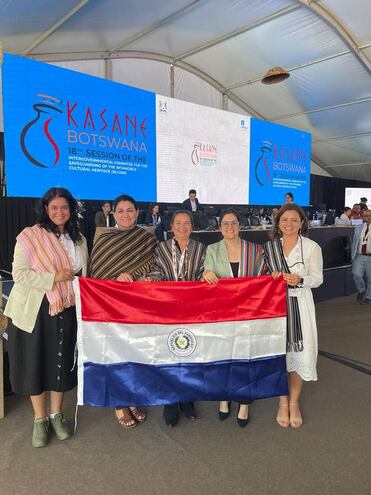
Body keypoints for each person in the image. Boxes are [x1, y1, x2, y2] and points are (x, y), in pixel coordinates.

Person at [4, 187, 88, 448]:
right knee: (35, 363)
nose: (60, 212)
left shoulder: (79, 239)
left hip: (67, 307)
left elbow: (84, 274)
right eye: (54, 208)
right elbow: (19, 274)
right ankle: (40, 420)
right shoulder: (29, 237)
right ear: (45, 210)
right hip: (35, 309)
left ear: (71, 210)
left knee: (60, 364)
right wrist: (52, 278)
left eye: (64, 207)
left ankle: (56, 415)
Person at [89, 194, 158, 428]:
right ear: (114, 213)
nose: (126, 215)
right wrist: (114, 279)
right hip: (111, 305)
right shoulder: (104, 239)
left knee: (135, 352)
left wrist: (143, 276)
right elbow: (96, 274)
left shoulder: (146, 239)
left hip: (138, 306)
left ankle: (132, 397)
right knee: (116, 352)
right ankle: (119, 404)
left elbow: (156, 265)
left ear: (137, 213)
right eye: (121, 211)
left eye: (130, 210)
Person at [202, 209, 266, 427]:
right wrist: (206, 274)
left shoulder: (255, 250)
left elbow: (262, 281)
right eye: (225, 223)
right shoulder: (212, 249)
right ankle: (223, 396)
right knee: (223, 357)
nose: (230, 227)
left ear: (240, 226)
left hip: (248, 314)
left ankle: (244, 402)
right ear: (220, 227)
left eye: (234, 223)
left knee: (246, 358)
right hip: (222, 315)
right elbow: (207, 270)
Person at [263, 203, 323, 428]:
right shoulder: (269, 248)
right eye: (284, 219)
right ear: (278, 223)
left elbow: (318, 278)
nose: (288, 224)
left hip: (300, 304)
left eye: (294, 220)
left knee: (299, 351)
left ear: (302, 223)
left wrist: (300, 279)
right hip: (275, 307)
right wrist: (272, 277)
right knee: (279, 354)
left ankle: (294, 402)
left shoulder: (311, 247)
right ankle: (282, 401)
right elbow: (261, 278)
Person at [146, 210, 206, 427]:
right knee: (169, 356)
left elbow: (202, 274)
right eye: (178, 223)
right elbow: (157, 272)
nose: (182, 227)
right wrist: (149, 282)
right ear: (171, 226)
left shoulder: (200, 248)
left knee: (190, 354)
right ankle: (171, 402)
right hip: (168, 311)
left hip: (192, 312)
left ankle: (188, 399)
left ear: (192, 226)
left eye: (187, 223)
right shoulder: (161, 248)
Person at [351, 209, 371, 305]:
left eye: (370, 215)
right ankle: (361, 290)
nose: (368, 217)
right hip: (359, 255)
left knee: (370, 278)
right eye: (366, 215)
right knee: (356, 274)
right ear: (363, 217)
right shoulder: (358, 227)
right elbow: (354, 242)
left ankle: (368, 297)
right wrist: (352, 255)